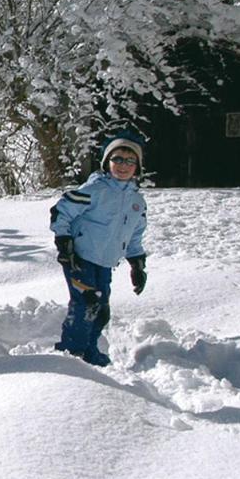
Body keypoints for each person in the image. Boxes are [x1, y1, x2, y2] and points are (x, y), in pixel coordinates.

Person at [49, 133, 148, 367]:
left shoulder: (137, 202)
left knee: (101, 310)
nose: (123, 166)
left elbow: (134, 234)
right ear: (107, 162)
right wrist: (64, 241)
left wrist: (137, 264)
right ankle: (71, 355)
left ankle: (90, 353)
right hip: (79, 257)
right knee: (86, 303)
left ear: (137, 167)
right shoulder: (95, 189)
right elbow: (61, 211)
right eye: (118, 159)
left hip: (105, 262)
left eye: (129, 161)